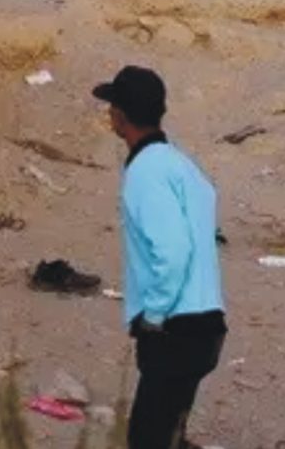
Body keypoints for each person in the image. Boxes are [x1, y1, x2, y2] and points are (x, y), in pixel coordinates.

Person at [96, 65, 226, 449]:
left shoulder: (146, 172)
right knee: (169, 433)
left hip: (175, 328)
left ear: (119, 115)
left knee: (149, 439)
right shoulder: (181, 165)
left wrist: (153, 314)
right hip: (207, 324)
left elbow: (173, 250)